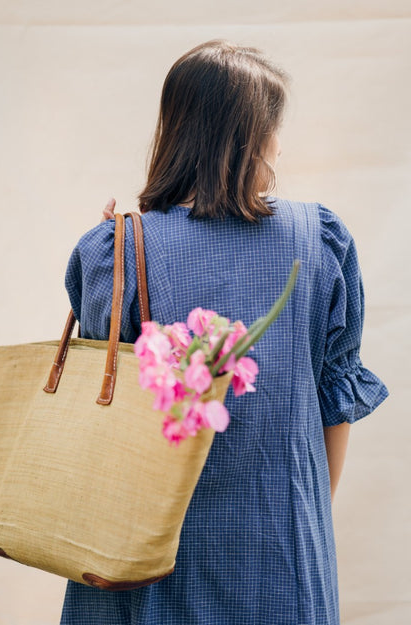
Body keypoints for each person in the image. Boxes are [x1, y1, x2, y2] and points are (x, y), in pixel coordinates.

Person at [60, 40, 389, 625]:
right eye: (273, 127)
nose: (279, 145)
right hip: (281, 556)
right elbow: (334, 402)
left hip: (139, 562)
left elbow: (100, 411)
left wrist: (105, 262)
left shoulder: (119, 248)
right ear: (252, 135)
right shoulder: (319, 239)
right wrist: (303, 515)